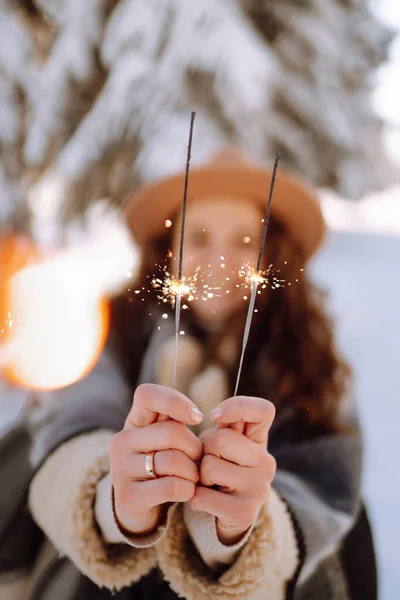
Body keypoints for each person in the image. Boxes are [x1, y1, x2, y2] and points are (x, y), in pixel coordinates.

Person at [27, 149, 370, 600]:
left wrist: (241, 531)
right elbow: (76, 413)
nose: (220, 262)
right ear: (168, 249)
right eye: (200, 236)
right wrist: (113, 500)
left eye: (246, 241)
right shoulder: (112, 326)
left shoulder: (309, 357)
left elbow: (325, 481)